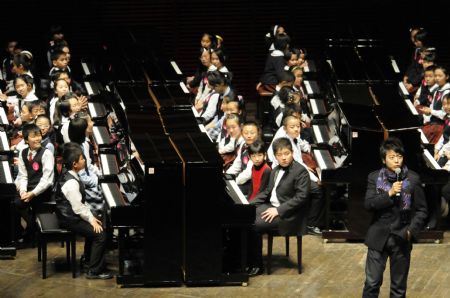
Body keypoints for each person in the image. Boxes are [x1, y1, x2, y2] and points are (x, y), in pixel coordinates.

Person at [362, 137, 427, 297]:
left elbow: (422, 210)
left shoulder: (412, 179)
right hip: (378, 237)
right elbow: (369, 204)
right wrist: (389, 193)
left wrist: (411, 231)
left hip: (402, 237)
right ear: (384, 160)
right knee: (372, 283)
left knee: (398, 288)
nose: (397, 160)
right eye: (392, 157)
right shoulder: (374, 177)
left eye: (399, 156)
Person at [249, 137, 310, 274]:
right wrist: (248, 205)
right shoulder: (275, 170)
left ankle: (257, 266)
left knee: (254, 225)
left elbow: (301, 197)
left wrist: (278, 210)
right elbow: (266, 192)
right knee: (245, 217)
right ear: (275, 156)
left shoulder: (301, 171)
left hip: (289, 215)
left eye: (286, 154)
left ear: (292, 153)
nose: (284, 158)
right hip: (272, 206)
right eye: (280, 155)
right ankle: (248, 260)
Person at [54, 143, 112, 279]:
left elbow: (80, 204)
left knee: (97, 224)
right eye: (82, 159)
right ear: (75, 164)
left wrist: (92, 217)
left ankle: (88, 260)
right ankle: (94, 270)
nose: (84, 160)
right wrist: (91, 219)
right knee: (100, 235)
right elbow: (78, 208)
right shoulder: (71, 183)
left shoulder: (70, 174)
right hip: (69, 219)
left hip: (71, 215)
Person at [14, 123, 55, 244]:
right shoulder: (23, 153)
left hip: (43, 190)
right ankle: (29, 230)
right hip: (29, 188)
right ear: (26, 140)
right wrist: (23, 191)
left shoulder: (46, 153)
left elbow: (47, 180)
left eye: (39, 135)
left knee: (23, 203)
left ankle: (32, 230)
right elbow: (23, 175)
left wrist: (32, 193)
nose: (37, 138)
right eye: (33, 136)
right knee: (14, 202)